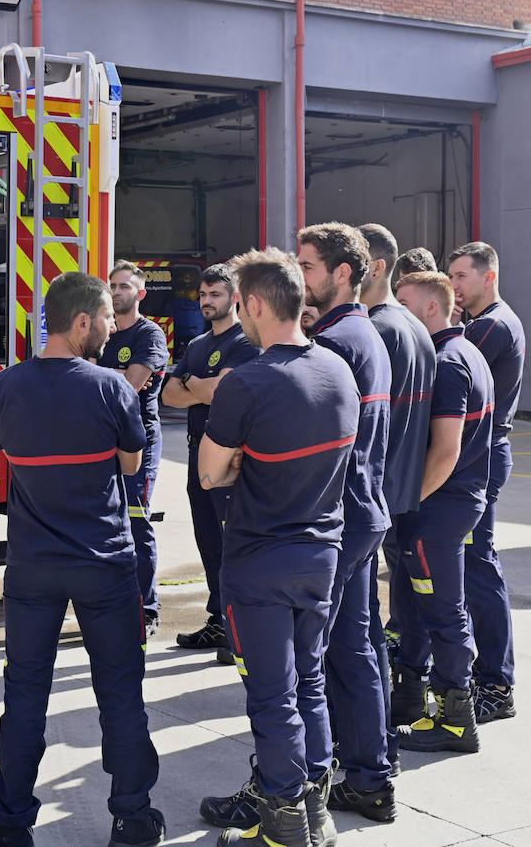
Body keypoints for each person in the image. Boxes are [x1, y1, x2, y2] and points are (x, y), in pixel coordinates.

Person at [0, 271, 165, 847]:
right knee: (120, 692)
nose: (108, 328)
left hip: (31, 567)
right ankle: (132, 819)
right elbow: (129, 467)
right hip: (104, 563)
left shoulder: (7, 387)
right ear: (81, 322)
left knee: (23, 695)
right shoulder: (111, 388)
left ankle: (11, 820)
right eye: (103, 319)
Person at [197, 248, 360, 847]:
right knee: (310, 683)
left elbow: (211, 472)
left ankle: (285, 823)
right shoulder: (339, 369)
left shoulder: (248, 381)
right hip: (322, 554)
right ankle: (315, 813)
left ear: (258, 305)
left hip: (260, 561)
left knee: (272, 697)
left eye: (241, 303)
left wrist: (245, 460)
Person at [297, 224, 394, 825]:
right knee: (353, 649)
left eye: (307, 267)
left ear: (340, 274)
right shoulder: (364, 332)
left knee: (310, 657)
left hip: (338, 519)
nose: (298, 278)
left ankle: (298, 789)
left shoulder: (335, 342)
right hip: (364, 512)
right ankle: (369, 777)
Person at [338, 223, 434, 821]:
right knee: (369, 631)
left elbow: (373, 431)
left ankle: (368, 754)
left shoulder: (381, 330)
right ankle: (374, 754)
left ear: (369, 266)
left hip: (372, 498)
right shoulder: (410, 328)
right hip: (391, 498)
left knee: (359, 637)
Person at [394, 271, 495, 754]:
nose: (395, 312)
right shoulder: (463, 351)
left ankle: (457, 720)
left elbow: (447, 449)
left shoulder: (449, 361)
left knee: (444, 612)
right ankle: (412, 698)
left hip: (441, 506)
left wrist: (409, 503)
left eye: (403, 302)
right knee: (418, 606)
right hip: (443, 504)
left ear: (431, 308)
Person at [161, 263, 259, 661]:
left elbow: (227, 391)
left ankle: (240, 629)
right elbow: (169, 395)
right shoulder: (198, 345)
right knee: (208, 542)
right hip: (195, 452)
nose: (206, 301)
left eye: (215, 294)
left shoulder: (245, 342)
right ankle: (219, 619)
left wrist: (197, 387)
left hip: (229, 461)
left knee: (233, 543)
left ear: (234, 297)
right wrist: (206, 388)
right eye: (202, 295)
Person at [447, 242, 524, 723]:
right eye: (450, 275)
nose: (453, 284)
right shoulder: (485, 322)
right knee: (473, 564)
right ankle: (484, 673)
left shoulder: (489, 327)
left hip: (483, 455)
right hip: (482, 453)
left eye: (461, 276)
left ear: (488, 275)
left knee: (479, 565)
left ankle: (497, 682)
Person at [96, 261, 169, 637]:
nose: (117, 291)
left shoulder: (150, 335)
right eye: (112, 286)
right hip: (102, 445)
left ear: (140, 294)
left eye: (124, 286)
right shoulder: (105, 335)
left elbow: (131, 386)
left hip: (139, 446)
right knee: (106, 526)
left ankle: (147, 607)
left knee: (136, 526)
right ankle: (113, 603)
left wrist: (94, 375)